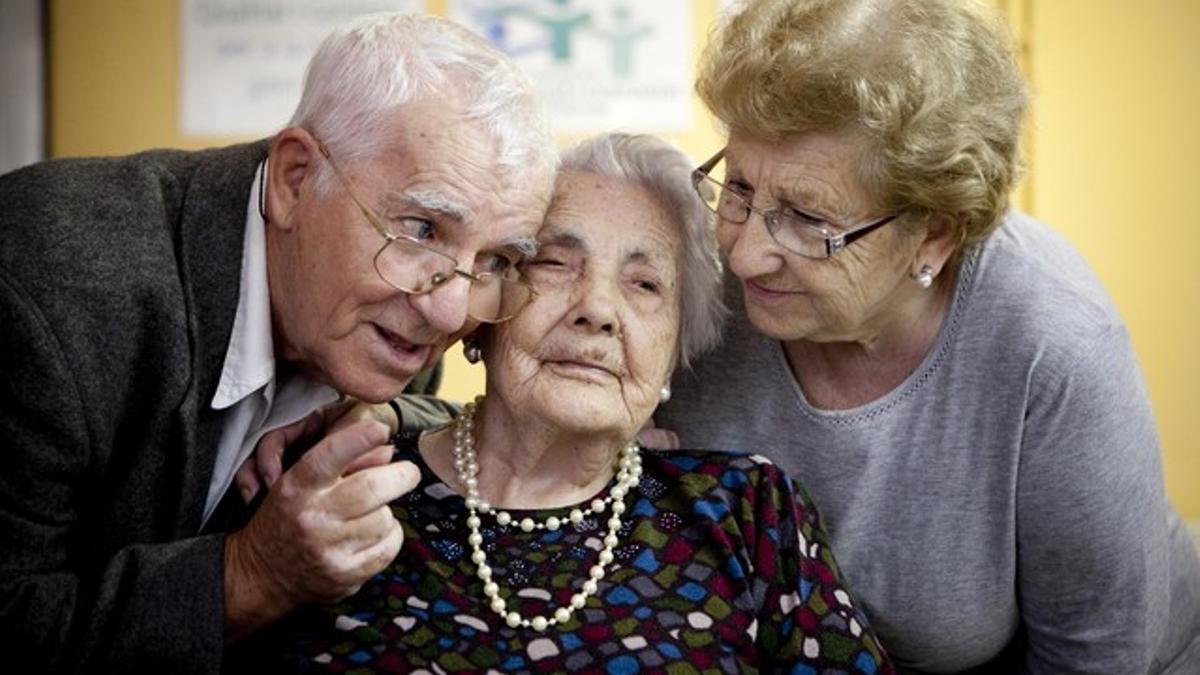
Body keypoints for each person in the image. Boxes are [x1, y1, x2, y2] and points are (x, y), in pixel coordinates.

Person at [652, 0, 1200, 672]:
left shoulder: (1055, 345)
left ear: (934, 234)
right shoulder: (697, 282)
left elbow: (1099, 656)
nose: (743, 256)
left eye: (806, 218)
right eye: (737, 186)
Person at [0, 13, 556, 672]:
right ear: (295, 178)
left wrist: (400, 415)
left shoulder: (385, 325)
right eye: (420, 228)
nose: (451, 308)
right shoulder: (41, 287)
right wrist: (253, 573)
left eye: (494, 260)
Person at [241, 133, 895, 672]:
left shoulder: (747, 512)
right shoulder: (340, 494)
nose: (597, 311)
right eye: (556, 264)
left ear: (674, 351)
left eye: (644, 284)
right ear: (485, 313)